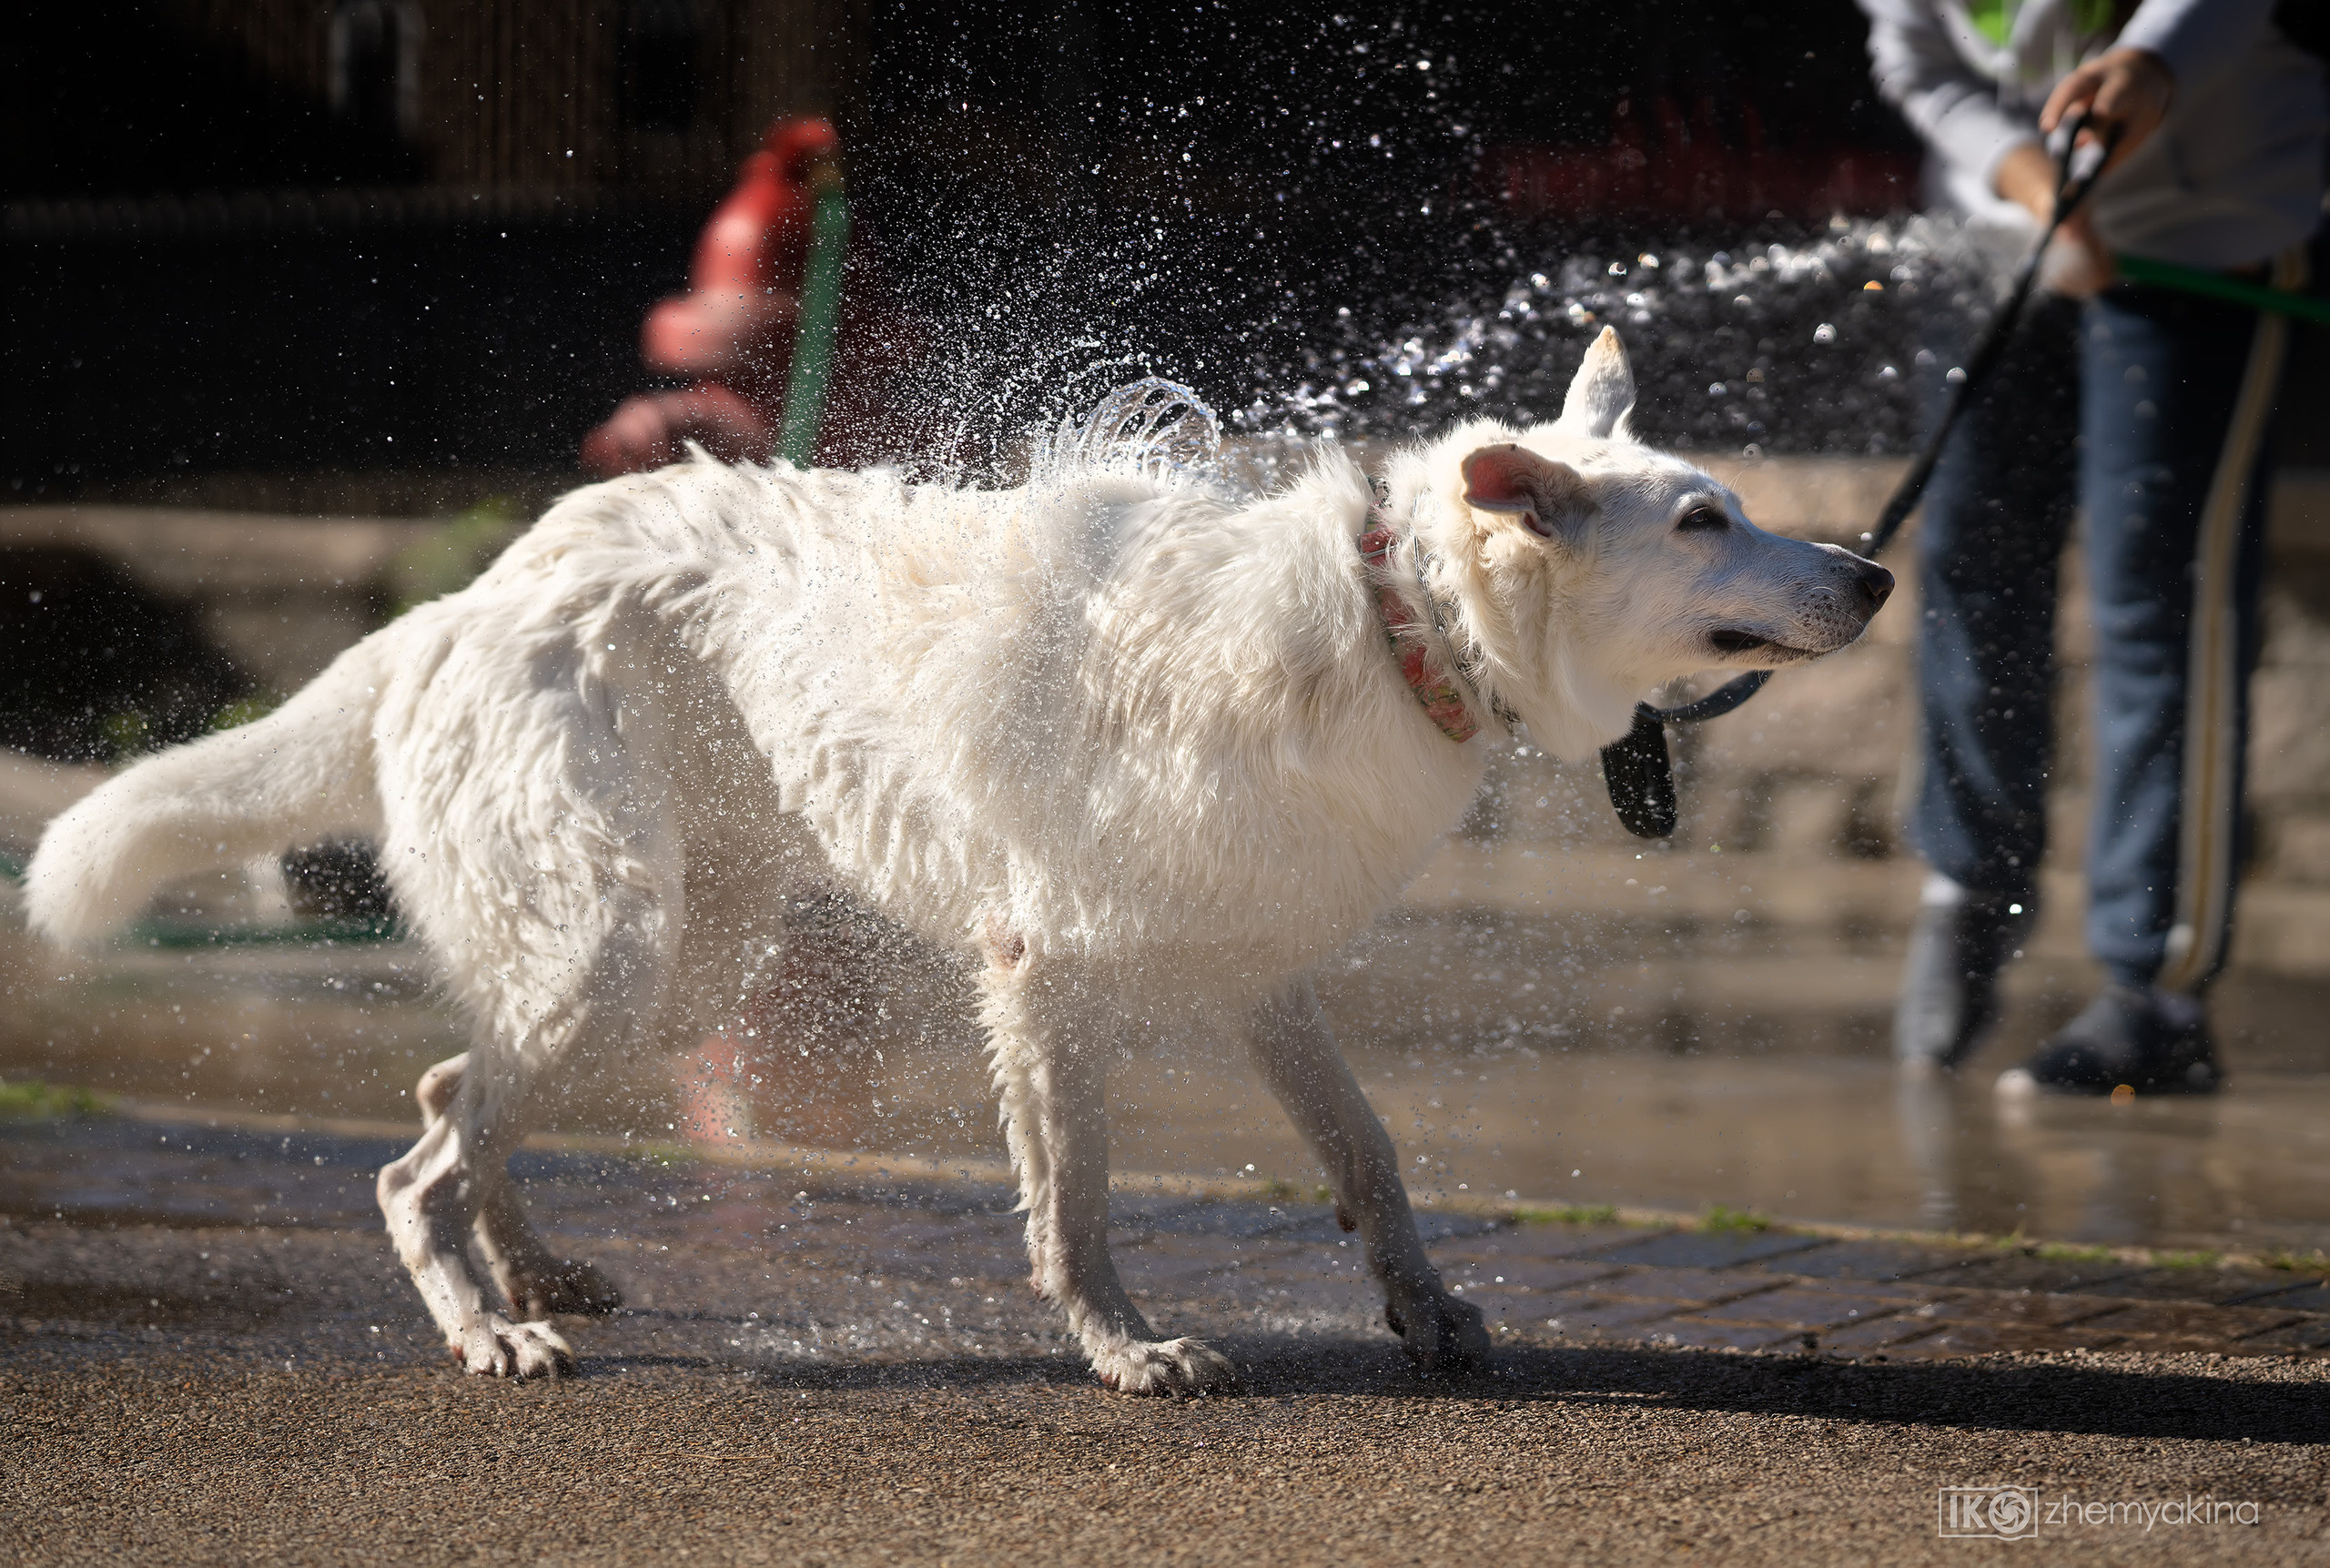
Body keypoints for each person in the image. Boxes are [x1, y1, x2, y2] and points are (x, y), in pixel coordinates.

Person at [1859, 0, 2325, 1091]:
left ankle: (2154, 988)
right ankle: (1969, 887)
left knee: (2164, 599)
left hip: (2205, 234)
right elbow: (1917, 56)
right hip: (1998, 229)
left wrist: (2154, 66)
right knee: (1968, 563)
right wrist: (2025, 179)